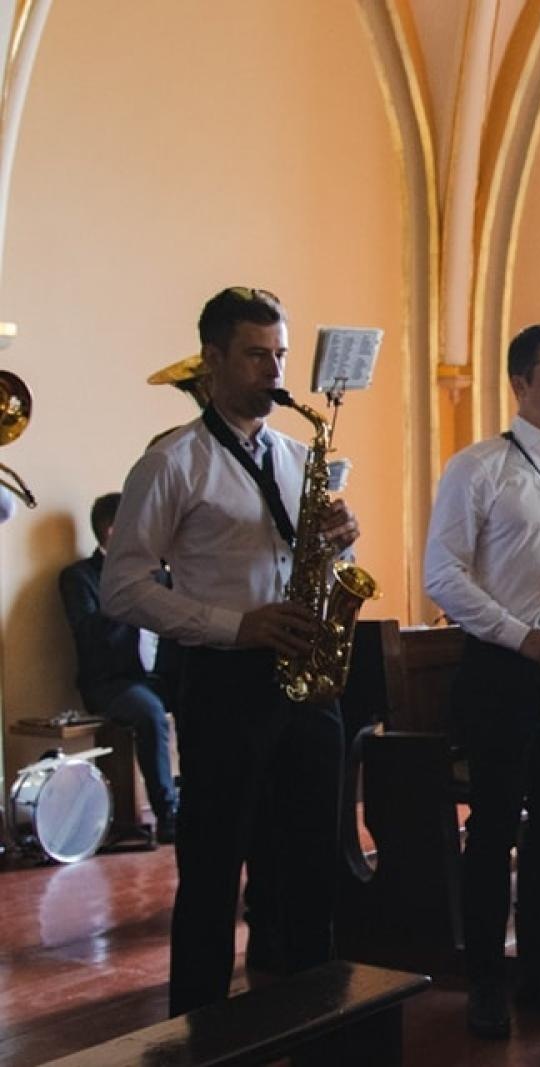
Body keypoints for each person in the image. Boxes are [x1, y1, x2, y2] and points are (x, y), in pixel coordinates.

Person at [103, 286, 360, 1016]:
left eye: (279, 355)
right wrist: (234, 624)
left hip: (305, 678)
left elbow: (312, 563)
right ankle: (199, 1031)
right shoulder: (172, 462)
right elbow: (122, 587)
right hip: (225, 679)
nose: (274, 372)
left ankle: (318, 1020)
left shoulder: (298, 455)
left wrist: (340, 542)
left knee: (314, 865)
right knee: (214, 871)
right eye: (256, 355)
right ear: (211, 360)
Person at [423, 324, 540, 1039]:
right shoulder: (477, 468)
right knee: (494, 827)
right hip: (502, 670)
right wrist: (523, 635)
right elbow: (442, 574)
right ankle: (485, 983)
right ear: (521, 384)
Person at [59, 492, 180, 842]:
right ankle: (167, 813)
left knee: (204, 694)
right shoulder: (78, 578)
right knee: (150, 713)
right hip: (112, 682)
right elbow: (88, 635)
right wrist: (125, 593)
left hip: (157, 675)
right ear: (113, 532)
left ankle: (204, 796)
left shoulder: (158, 576)